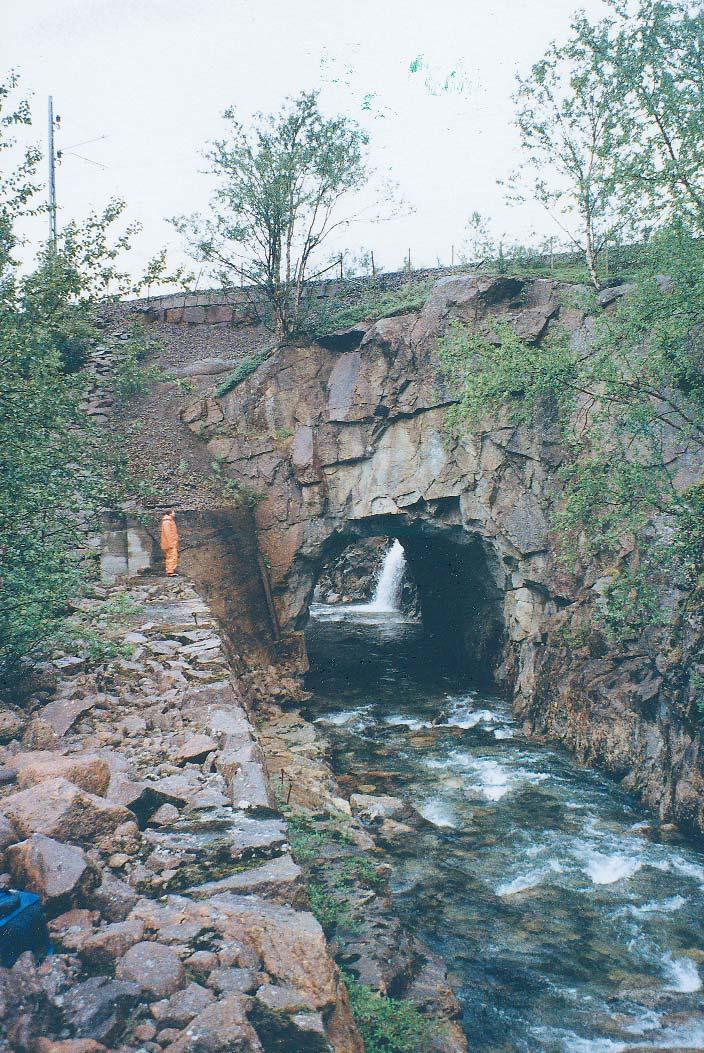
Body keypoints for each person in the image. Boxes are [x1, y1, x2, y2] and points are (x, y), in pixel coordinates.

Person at [160, 510, 179, 577]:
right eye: (173, 512)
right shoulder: (167, 522)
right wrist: (171, 543)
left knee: (172, 556)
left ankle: (170, 571)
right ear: (170, 513)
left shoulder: (169, 520)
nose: (174, 513)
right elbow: (167, 534)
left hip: (171, 543)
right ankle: (170, 571)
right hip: (170, 543)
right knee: (172, 557)